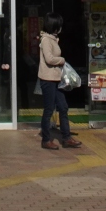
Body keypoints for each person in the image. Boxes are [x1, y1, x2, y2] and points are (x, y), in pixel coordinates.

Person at [37, 12, 81, 150]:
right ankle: (46, 140)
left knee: (63, 107)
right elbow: (49, 59)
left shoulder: (53, 39)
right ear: (54, 26)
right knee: (49, 109)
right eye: (59, 25)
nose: (61, 28)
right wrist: (62, 60)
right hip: (48, 79)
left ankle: (66, 138)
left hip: (56, 79)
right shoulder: (46, 40)